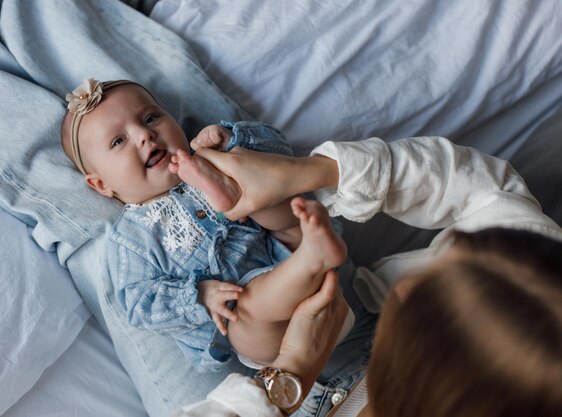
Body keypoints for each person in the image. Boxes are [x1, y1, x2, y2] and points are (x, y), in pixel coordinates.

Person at [170, 136, 562, 416]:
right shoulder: (542, 287)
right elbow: (487, 189)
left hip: (294, 374)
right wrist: (316, 172)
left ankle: (307, 253)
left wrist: (292, 371)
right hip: (348, 321)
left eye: (421, 312)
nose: (405, 284)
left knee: (244, 314)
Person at [61, 78, 354, 371]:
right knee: (247, 307)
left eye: (150, 118)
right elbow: (139, 305)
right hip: (265, 334)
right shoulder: (132, 237)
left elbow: (280, 148)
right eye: (118, 141)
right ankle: (312, 255)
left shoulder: (212, 157)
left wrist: (231, 139)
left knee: (265, 193)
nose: (144, 135)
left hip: (294, 259)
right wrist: (197, 296)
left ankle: (301, 241)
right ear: (100, 184)